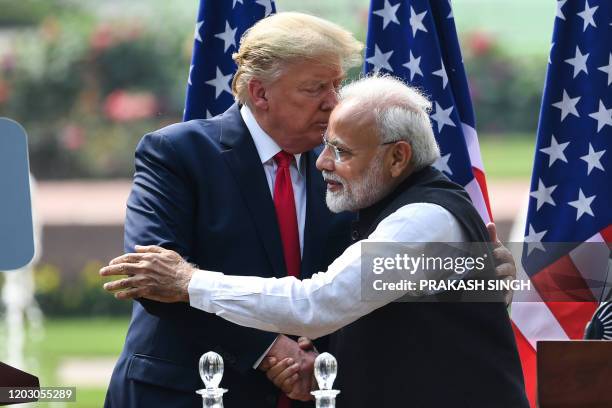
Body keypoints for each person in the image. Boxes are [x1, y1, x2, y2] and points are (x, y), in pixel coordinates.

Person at [102, 75, 528, 408]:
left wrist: (188, 282)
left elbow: (318, 303)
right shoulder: (383, 204)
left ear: (397, 157)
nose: (322, 162)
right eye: (326, 145)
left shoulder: (424, 221)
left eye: (341, 151)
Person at [103, 12, 363, 408]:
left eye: (336, 85)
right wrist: (270, 348)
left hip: (307, 390)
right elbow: (152, 279)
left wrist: (471, 261)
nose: (334, 102)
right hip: (188, 391)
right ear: (260, 93)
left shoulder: (343, 162)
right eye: (315, 89)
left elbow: (377, 261)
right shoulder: (177, 154)